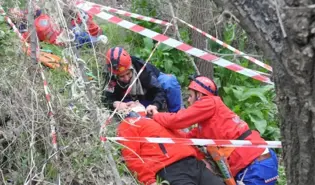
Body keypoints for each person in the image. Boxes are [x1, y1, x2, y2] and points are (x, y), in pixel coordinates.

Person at [151, 75, 279, 185]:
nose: (188, 100)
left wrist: (155, 115)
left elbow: (177, 120)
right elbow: (187, 138)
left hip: (254, 163)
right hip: (256, 161)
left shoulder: (209, 102)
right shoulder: (207, 124)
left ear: (199, 94)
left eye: (190, 96)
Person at [117, 102, 225, 185]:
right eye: (129, 103)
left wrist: (201, 159)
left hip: (193, 164)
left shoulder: (159, 118)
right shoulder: (128, 124)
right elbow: (131, 155)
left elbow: (183, 138)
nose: (134, 102)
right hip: (170, 168)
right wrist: (149, 181)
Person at [102, 47, 183, 113]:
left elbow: (158, 90)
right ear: (115, 75)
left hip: (148, 91)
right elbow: (106, 97)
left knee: (170, 82)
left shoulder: (142, 69)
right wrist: (115, 103)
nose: (126, 78)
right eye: (121, 76)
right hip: (130, 99)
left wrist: (155, 105)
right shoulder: (110, 76)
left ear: (131, 68)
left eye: (128, 74)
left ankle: (176, 114)